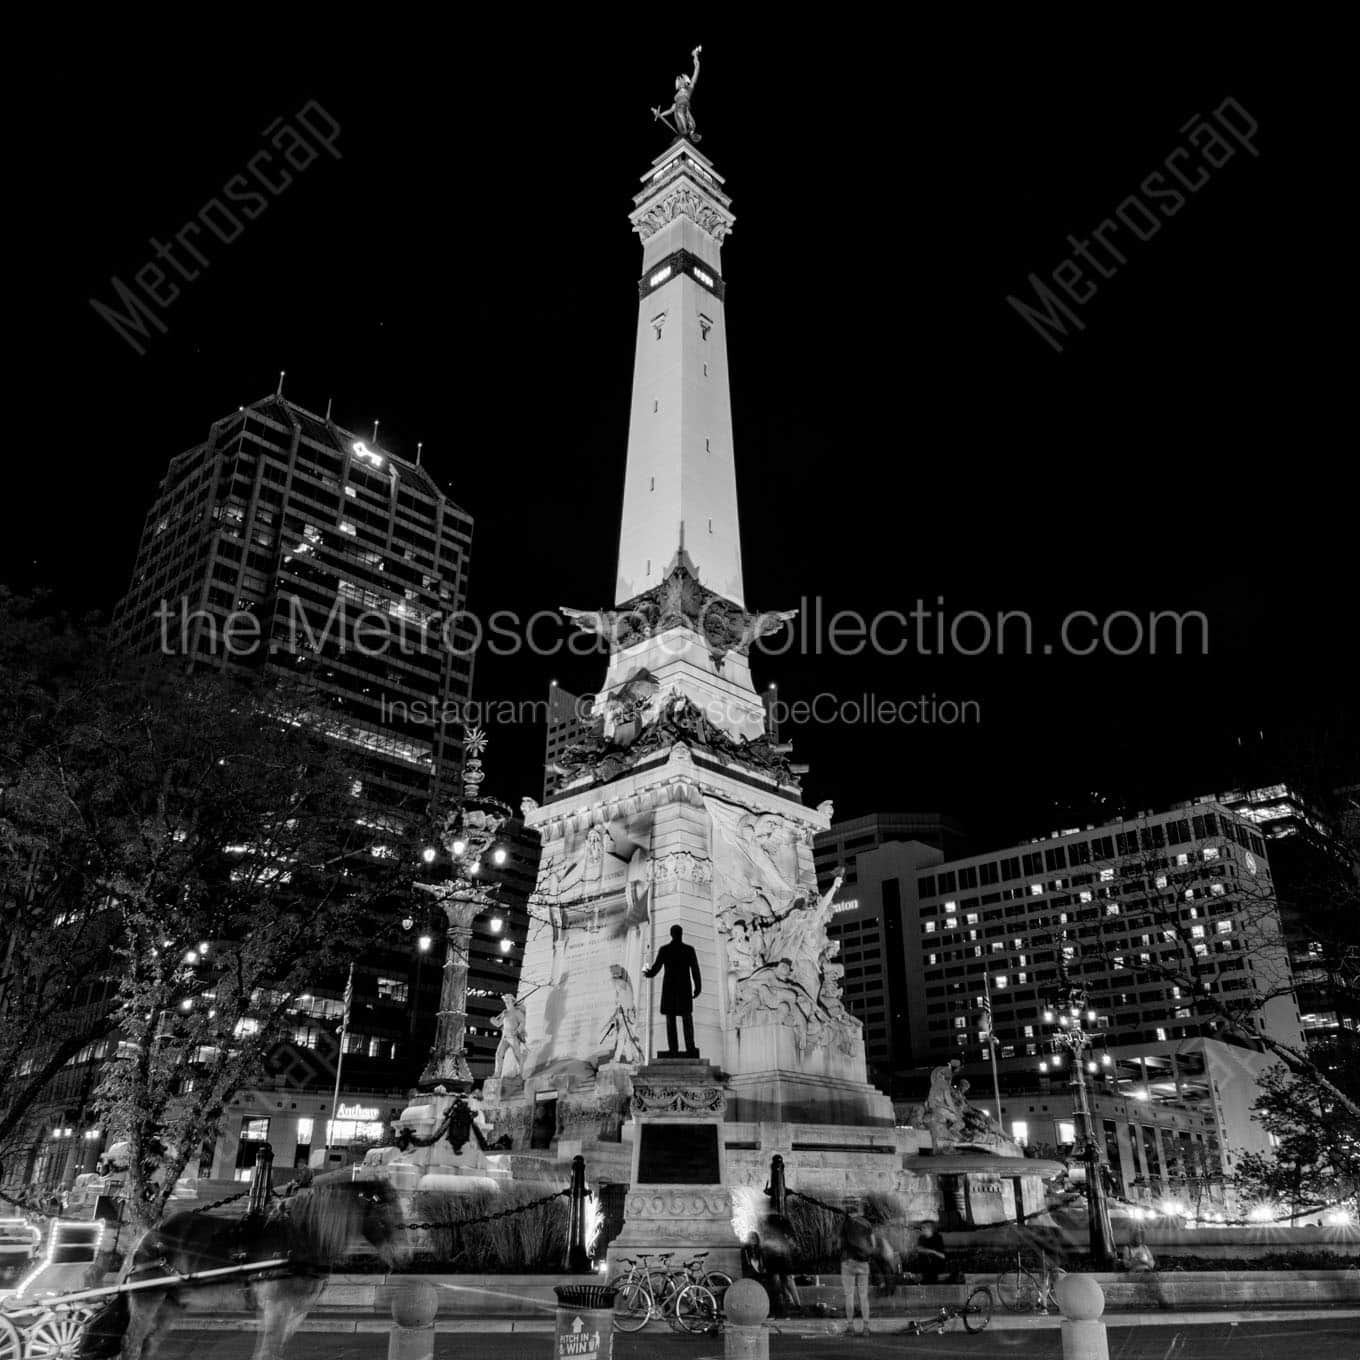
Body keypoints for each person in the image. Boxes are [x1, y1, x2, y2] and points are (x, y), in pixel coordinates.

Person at [643, 924, 702, 1057]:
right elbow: (695, 970)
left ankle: (674, 1049)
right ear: (681, 934)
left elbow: (654, 970)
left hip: (670, 988)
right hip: (683, 988)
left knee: (672, 1020)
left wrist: (645, 968)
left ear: (671, 934)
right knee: (686, 1018)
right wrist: (698, 986)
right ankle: (690, 1047)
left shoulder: (665, 949)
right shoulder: (688, 950)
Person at [840, 1211, 876, 1336]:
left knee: (849, 1296)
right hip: (863, 1263)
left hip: (848, 1262)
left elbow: (841, 1242)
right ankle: (866, 1327)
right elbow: (873, 1245)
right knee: (863, 1296)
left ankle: (850, 1327)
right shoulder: (867, 1224)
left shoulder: (846, 1223)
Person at [913, 1218, 947, 1285]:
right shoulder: (921, 1238)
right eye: (921, 1227)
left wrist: (929, 1251)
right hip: (923, 1269)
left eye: (923, 1227)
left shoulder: (937, 1238)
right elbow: (919, 1250)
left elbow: (942, 1256)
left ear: (930, 1228)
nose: (921, 1229)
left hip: (936, 1269)